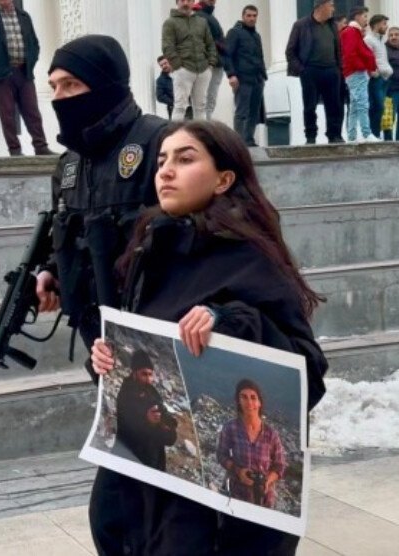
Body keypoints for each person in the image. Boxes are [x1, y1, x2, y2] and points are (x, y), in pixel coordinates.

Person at [91, 120, 328, 555]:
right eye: (162, 160)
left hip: (215, 512)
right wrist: (112, 356)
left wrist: (232, 321)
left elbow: (307, 372)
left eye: (184, 159)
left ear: (224, 179)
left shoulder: (249, 255)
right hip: (150, 479)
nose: (165, 171)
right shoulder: (150, 248)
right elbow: (152, 349)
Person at [35, 34, 169, 556]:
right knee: (139, 492)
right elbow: (64, 234)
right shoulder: (69, 165)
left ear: (108, 83)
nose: (61, 97)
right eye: (53, 87)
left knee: (117, 507)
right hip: (101, 345)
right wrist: (49, 274)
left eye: (73, 84)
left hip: (156, 345)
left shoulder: (160, 142)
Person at [0, 0, 54, 156]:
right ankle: (15, 150)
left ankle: (40, 146)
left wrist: (32, 59)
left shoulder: (24, 16)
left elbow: (34, 43)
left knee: (32, 111)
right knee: (7, 114)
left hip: (24, 71)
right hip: (2, 74)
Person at [217, 379, 287, 509]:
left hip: (264, 498)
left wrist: (267, 480)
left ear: (259, 402)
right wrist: (239, 471)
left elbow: (279, 466)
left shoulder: (271, 434)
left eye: (253, 398)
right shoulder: (230, 428)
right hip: (236, 495)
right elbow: (221, 455)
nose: (249, 402)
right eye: (243, 397)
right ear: (238, 401)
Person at [285, 0, 344, 145]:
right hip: (310, 71)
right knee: (310, 106)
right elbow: (290, 51)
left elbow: (338, 49)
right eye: (331, 5)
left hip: (331, 70)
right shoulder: (301, 25)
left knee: (334, 105)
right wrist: (301, 70)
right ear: (321, 6)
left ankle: (334, 135)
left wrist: (338, 69)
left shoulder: (332, 25)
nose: (333, 8)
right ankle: (310, 136)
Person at [113, 350, 178, 472]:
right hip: (133, 466)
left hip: (156, 464)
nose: (148, 379)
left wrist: (166, 427)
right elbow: (126, 431)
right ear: (134, 373)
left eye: (150, 375)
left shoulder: (152, 393)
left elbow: (170, 439)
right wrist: (147, 421)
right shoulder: (125, 396)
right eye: (144, 374)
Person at [162, 0, 218, 121]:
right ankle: (176, 138)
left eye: (189, 0)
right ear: (177, 2)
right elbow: (167, 46)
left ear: (193, 2)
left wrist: (211, 63)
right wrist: (178, 65)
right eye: (182, 0)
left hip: (203, 69)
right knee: (180, 106)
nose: (186, 3)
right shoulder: (170, 23)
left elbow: (210, 44)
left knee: (201, 107)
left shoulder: (202, 22)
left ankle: (200, 138)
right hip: (183, 69)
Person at [225, 4, 267, 146]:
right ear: (243, 16)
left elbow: (260, 57)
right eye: (248, 15)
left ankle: (249, 140)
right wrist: (231, 75)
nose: (251, 18)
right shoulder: (234, 32)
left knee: (254, 112)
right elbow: (227, 55)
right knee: (242, 112)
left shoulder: (257, 36)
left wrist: (263, 76)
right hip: (242, 79)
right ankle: (238, 142)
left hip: (257, 79)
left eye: (254, 16)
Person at [341, 6, 379, 143]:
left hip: (354, 72)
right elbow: (351, 53)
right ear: (357, 16)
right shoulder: (351, 32)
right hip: (356, 72)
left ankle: (351, 136)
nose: (366, 19)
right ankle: (366, 133)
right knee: (362, 104)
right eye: (364, 16)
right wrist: (363, 67)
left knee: (355, 107)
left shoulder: (353, 32)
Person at [195, 0, 227, 120]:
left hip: (214, 62)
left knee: (208, 101)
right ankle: (204, 132)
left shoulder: (207, 16)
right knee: (206, 101)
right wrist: (220, 45)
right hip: (210, 63)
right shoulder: (200, 15)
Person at [365, 14, 393, 139]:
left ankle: (376, 134)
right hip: (376, 79)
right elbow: (367, 58)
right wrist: (373, 72)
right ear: (376, 25)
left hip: (385, 78)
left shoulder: (381, 40)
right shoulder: (369, 39)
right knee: (377, 107)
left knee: (380, 108)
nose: (386, 27)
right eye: (384, 24)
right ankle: (374, 134)